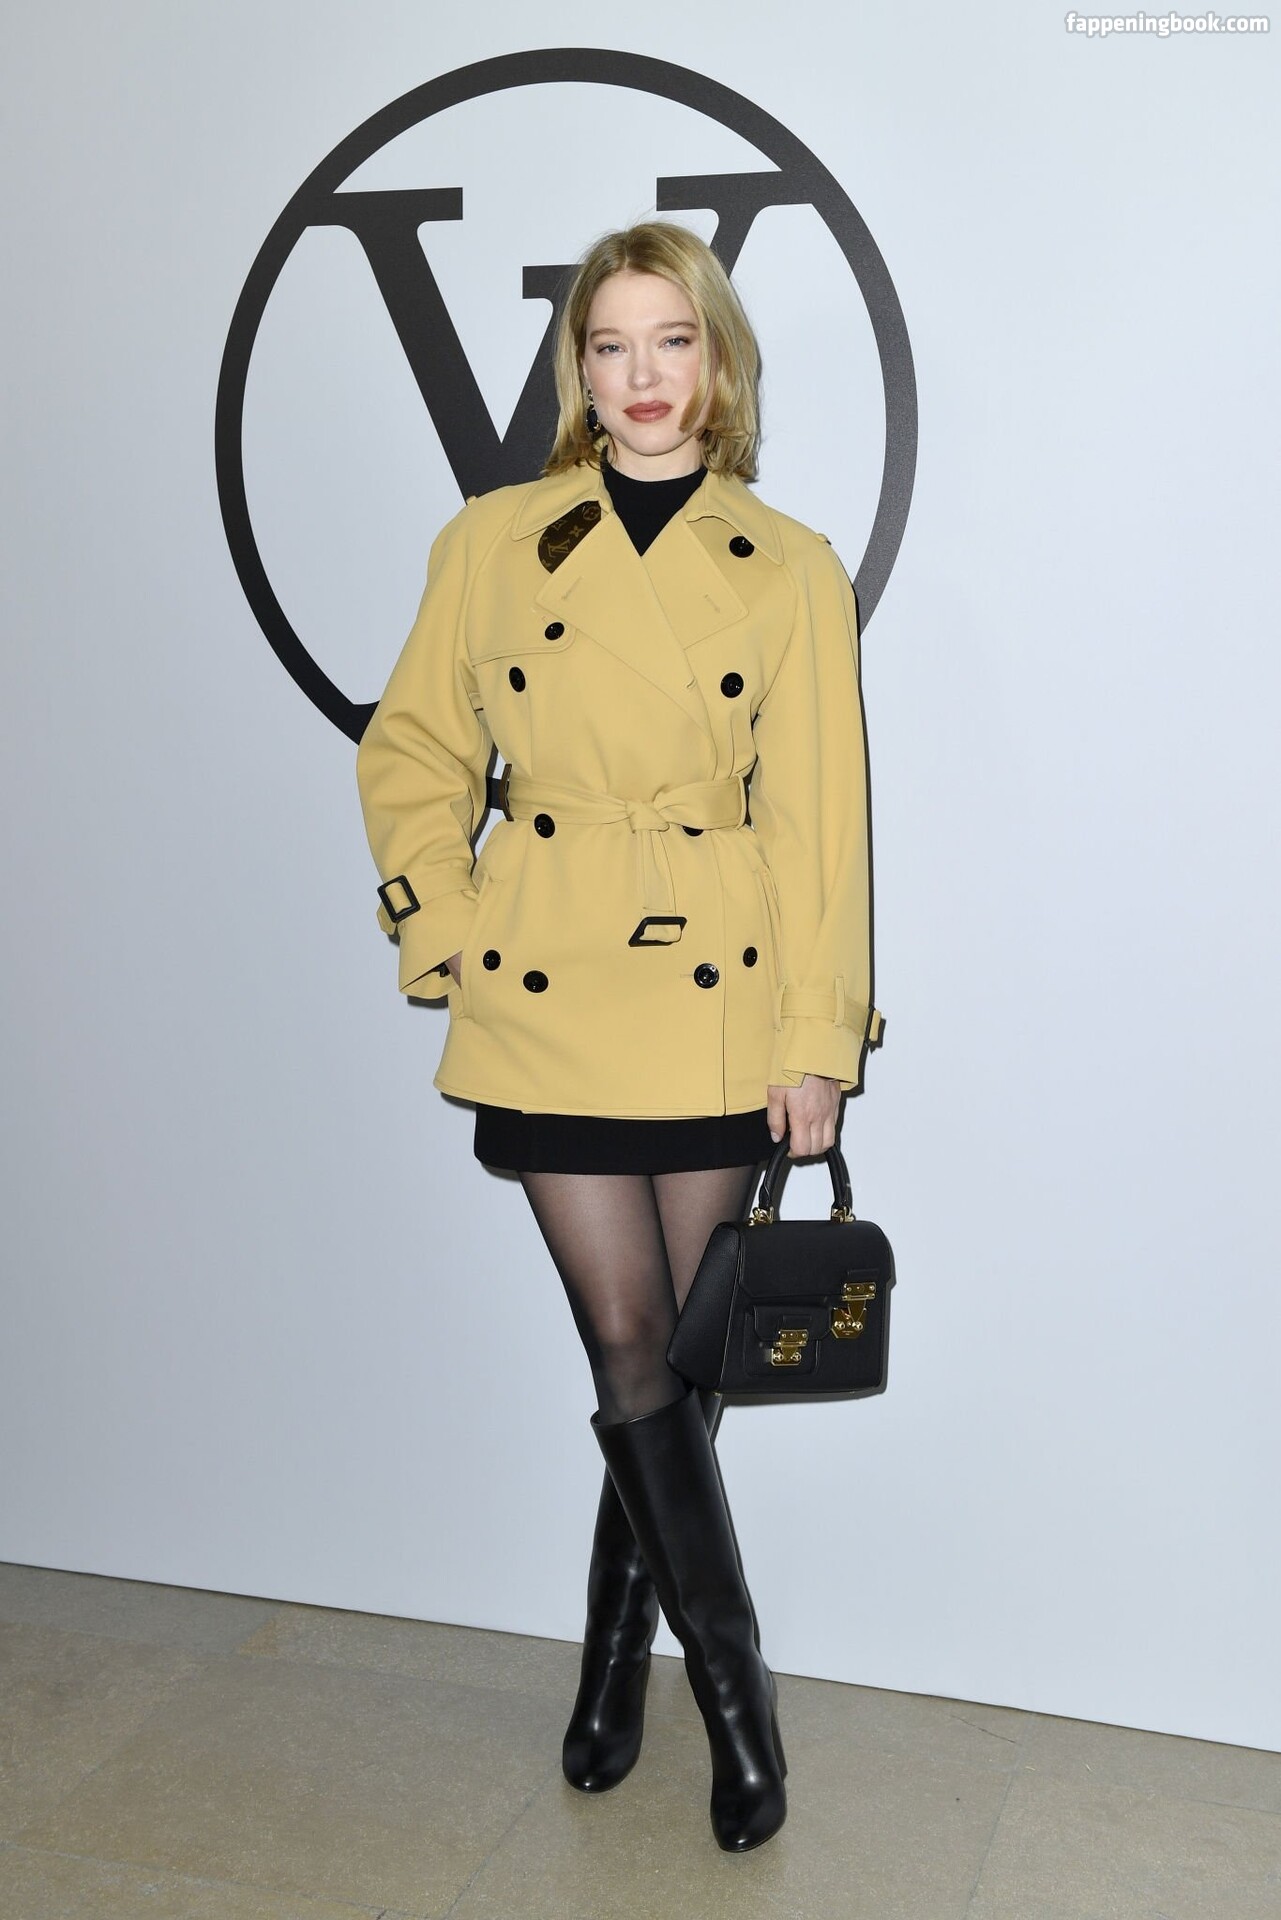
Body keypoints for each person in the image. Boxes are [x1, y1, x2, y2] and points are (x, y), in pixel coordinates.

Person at [355, 220, 884, 1853]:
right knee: (627, 1340)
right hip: (553, 981)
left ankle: (628, 1673)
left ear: (717, 362)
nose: (641, 377)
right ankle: (729, 1694)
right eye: (609, 345)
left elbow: (820, 828)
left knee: (679, 1361)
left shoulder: (785, 565)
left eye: (671, 341)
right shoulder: (492, 541)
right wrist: (449, 930)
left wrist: (814, 1039)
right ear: (575, 368)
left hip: (718, 991)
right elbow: (411, 754)